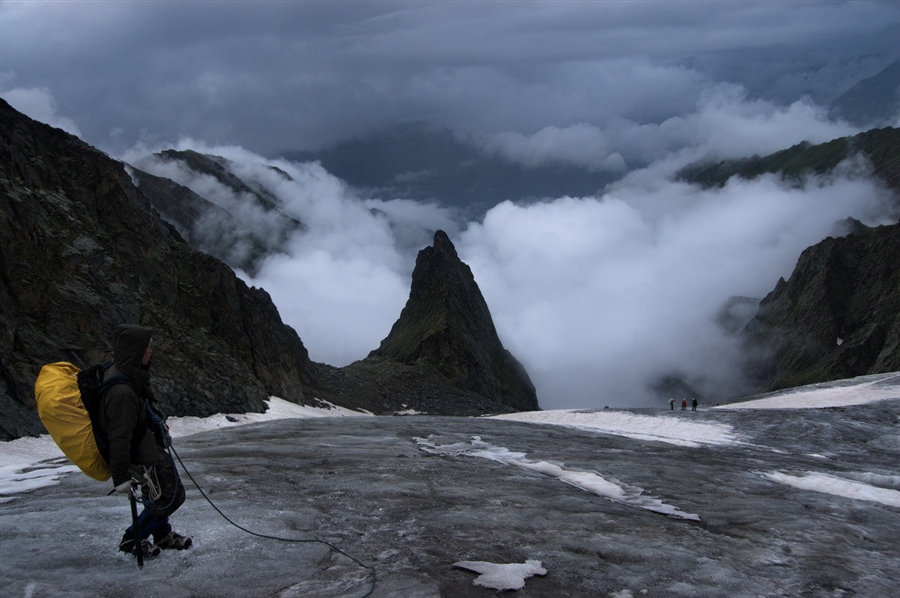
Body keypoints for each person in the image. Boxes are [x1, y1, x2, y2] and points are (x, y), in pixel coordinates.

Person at [96, 324, 191, 559]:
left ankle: (161, 534)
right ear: (134, 351)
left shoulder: (129, 376)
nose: (151, 350)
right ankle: (133, 538)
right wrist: (120, 476)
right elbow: (118, 435)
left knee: (156, 492)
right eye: (146, 347)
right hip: (141, 455)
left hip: (146, 447)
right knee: (170, 495)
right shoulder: (121, 391)